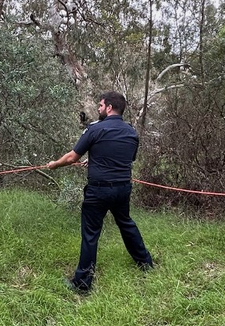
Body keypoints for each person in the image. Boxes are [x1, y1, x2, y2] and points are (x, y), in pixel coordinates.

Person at [47, 91, 153, 294]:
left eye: (100, 105)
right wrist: (96, 159)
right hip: (123, 189)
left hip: (99, 190)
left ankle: (82, 282)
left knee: (90, 233)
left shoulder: (95, 129)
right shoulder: (131, 132)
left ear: (109, 107)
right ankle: (146, 263)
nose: (98, 109)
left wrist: (54, 165)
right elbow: (125, 158)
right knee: (126, 223)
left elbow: (71, 158)